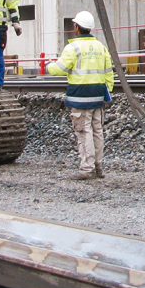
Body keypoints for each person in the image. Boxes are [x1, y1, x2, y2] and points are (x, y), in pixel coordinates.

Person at [46, 10, 115, 180]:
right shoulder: (101, 47)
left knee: (84, 132)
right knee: (97, 131)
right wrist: (108, 92)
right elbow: (109, 73)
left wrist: (48, 65)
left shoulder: (73, 48)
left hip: (80, 97)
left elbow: (59, 69)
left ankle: (87, 169)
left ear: (77, 27)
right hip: (98, 95)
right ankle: (98, 167)